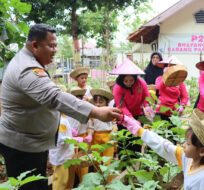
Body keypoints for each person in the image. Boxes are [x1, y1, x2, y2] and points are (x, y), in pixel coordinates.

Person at [0, 23, 121, 190]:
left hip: (31, 141)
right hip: (23, 146)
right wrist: (96, 111)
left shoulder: (29, 60)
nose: (55, 50)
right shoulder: (27, 69)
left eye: (55, 46)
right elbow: (54, 96)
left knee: (36, 183)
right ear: (35, 45)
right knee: (30, 186)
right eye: (51, 46)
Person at [121, 108, 204, 189]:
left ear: (202, 151)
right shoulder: (190, 160)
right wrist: (138, 130)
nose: (183, 144)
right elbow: (165, 147)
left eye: (188, 143)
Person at [110, 59, 154, 156]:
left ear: (135, 78)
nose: (129, 83)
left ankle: (135, 159)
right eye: (126, 81)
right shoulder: (117, 87)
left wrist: (147, 106)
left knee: (137, 138)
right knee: (124, 139)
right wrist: (131, 118)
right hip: (123, 115)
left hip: (138, 113)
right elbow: (121, 106)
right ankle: (124, 163)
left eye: (131, 80)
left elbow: (146, 96)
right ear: (121, 79)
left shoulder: (141, 83)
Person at [87, 88, 117, 183]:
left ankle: (108, 182)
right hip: (96, 137)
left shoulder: (110, 113)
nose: (98, 104)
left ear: (107, 103)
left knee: (107, 161)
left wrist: (113, 131)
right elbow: (91, 127)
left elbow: (114, 125)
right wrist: (90, 135)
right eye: (96, 102)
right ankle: (99, 181)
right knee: (97, 160)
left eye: (101, 102)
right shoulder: (93, 114)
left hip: (108, 137)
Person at [49, 112, 83, 190]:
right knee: (61, 182)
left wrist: (70, 131)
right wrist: (73, 139)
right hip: (61, 157)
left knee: (69, 181)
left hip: (67, 155)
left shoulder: (63, 117)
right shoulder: (59, 119)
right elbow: (60, 139)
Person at [155, 56, 189, 121]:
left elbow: (185, 96)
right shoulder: (159, 79)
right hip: (161, 110)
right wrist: (166, 77)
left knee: (174, 131)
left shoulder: (180, 82)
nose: (170, 68)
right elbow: (158, 87)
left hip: (174, 112)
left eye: (172, 67)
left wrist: (182, 105)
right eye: (168, 66)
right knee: (159, 130)